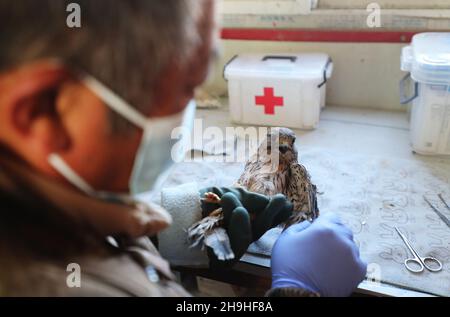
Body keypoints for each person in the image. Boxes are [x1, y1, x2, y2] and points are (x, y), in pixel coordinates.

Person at [0, 0, 366, 297]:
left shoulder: (47, 191)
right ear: (43, 113)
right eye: (185, 87)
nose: (189, 113)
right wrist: (298, 290)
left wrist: (172, 224)